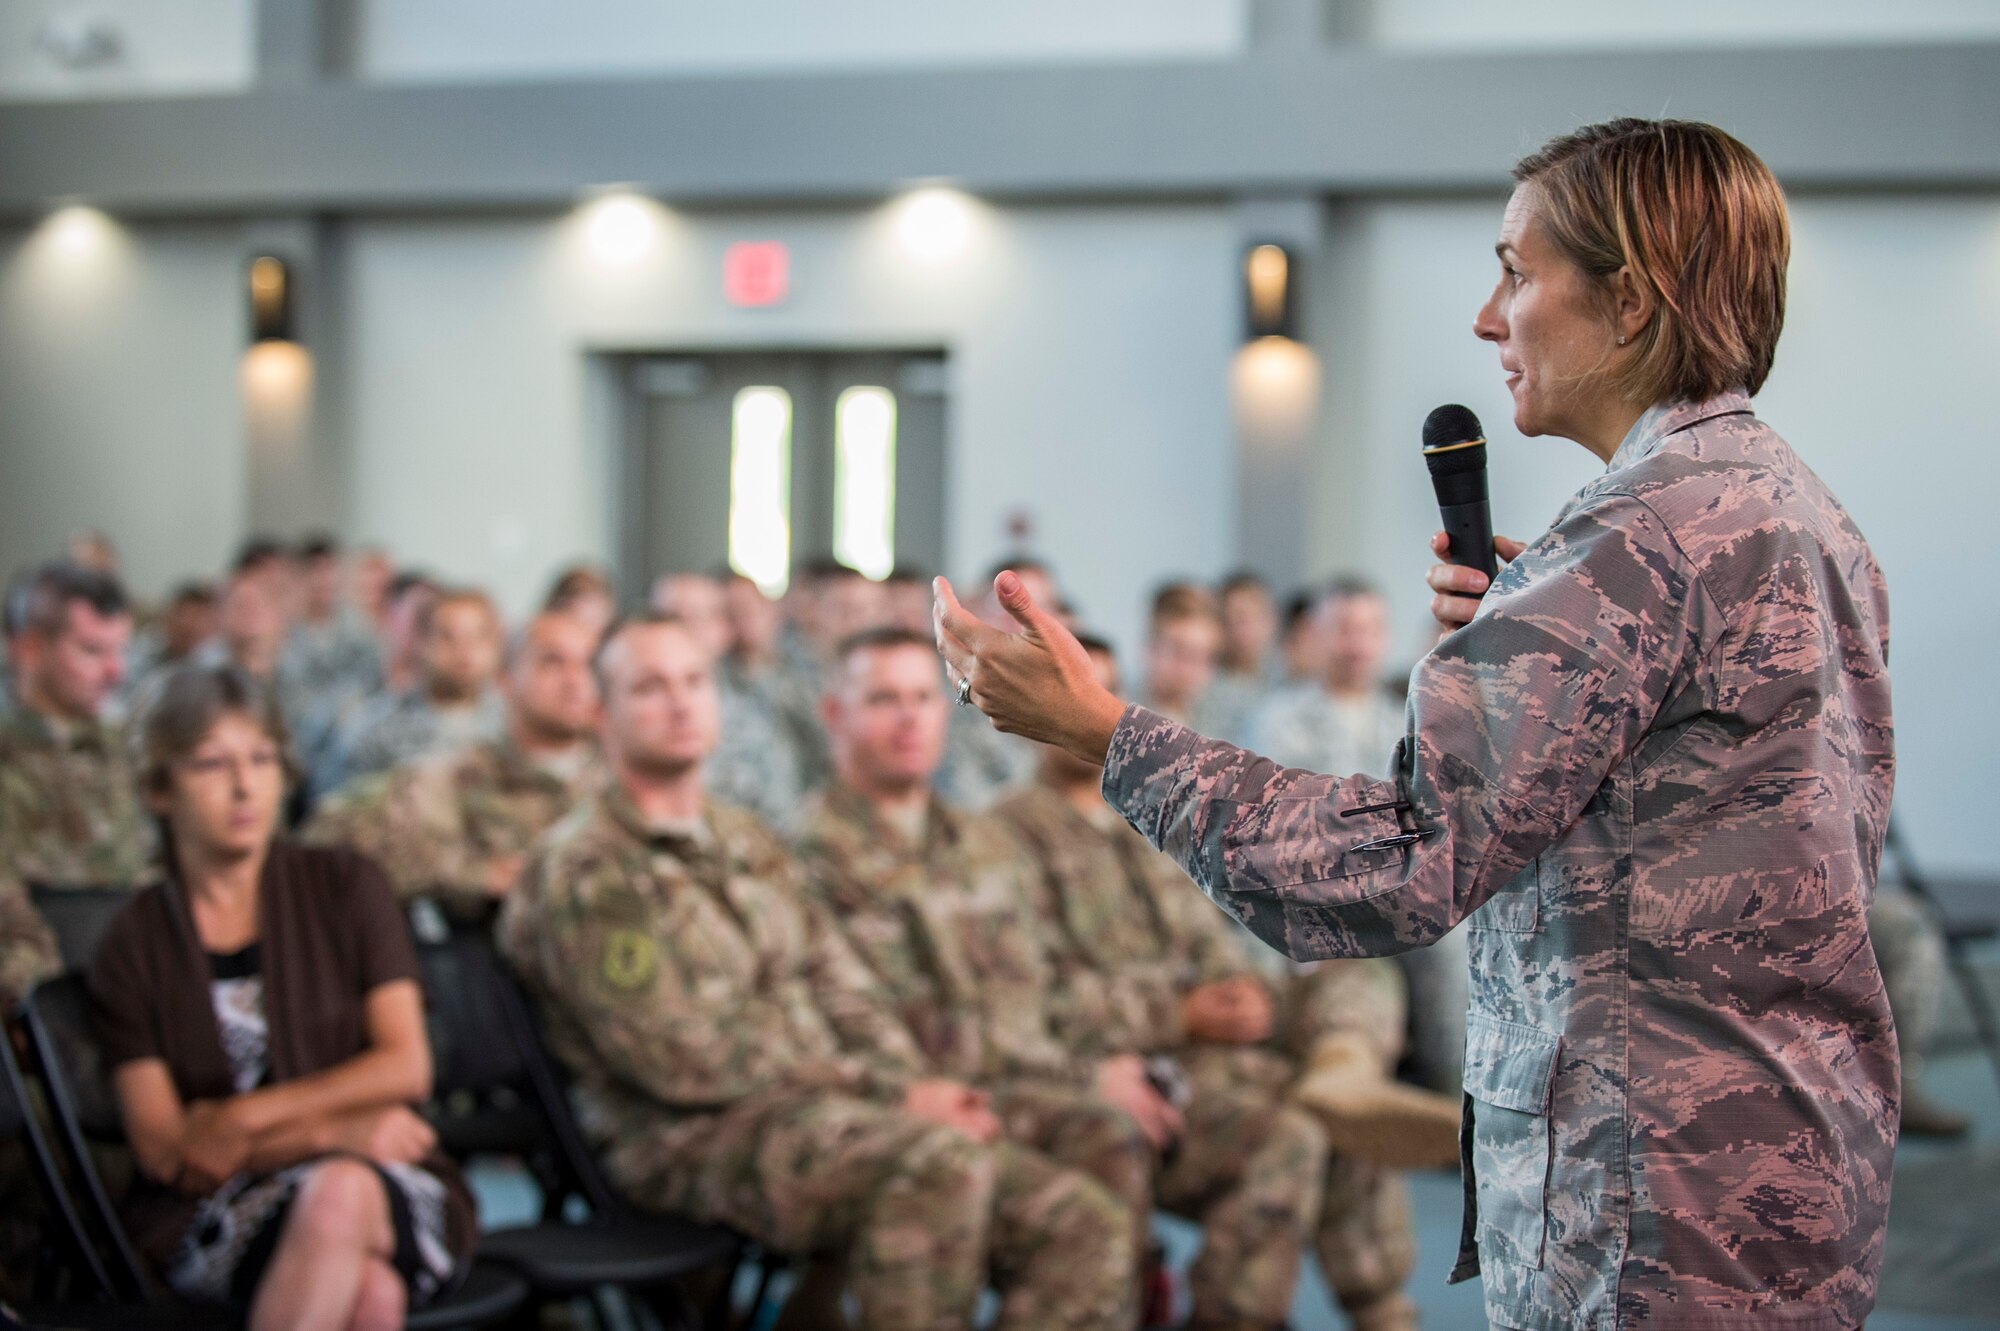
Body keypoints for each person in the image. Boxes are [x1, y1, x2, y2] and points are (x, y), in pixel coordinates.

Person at [936, 118, 1897, 1331]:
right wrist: (1529, 630)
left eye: (1516, 270)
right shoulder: (1792, 507)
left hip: (1653, 1192)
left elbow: (1398, 861)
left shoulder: (1632, 541)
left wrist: (1102, 731)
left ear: (1633, 302)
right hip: (1779, 1145)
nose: (1487, 320)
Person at [498, 614, 1134, 1331]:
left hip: (818, 1111)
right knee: (937, 1166)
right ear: (598, 709)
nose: (680, 703)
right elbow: (687, 1061)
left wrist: (915, 1087)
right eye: (649, 686)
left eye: (693, 681)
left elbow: (841, 985)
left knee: (1086, 1224)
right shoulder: (588, 868)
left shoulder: (744, 837)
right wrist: (888, 1091)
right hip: (684, 1140)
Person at [996, 634, 1446, 1331]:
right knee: (1303, 1127)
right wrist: (1180, 1012)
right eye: (1070, 692)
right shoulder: (1002, 839)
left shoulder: (1137, 819)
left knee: (1354, 968)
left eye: (1100, 691)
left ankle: (1344, 1068)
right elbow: (1020, 1004)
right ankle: (1265, 1312)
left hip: (1217, 1030)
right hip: (1144, 1054)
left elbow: (1209, 931)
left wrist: (1243, 989)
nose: (1083, 708)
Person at [793, 627, 1170, 1316]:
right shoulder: (805, 859)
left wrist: (1095, 1064)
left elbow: (1044, 985)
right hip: (898, 1102)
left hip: (1011, 1084)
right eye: (883, 698)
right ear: (834, 715)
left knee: (1109, 1135)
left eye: (921, 697)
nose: (908, 716)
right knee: (1077, 1219)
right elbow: (830, 1026)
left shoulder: (984, 843)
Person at [89, 665, 474, 1329]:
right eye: (212, 764)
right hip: (213, 1206)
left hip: (383, 1172)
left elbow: (405, 1065)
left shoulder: (347, 884)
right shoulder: (133, 939)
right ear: (159, 787)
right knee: (371, 1293)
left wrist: (239, 1120)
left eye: (263, 759)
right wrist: (329, 1130)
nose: (245, 787)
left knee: (337, 1196)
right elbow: (164, 1147)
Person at [1247, 578, 1468, 1093]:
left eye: (1369, 630)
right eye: (1344, 629)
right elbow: (1283, 832)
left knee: (1453, 938)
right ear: (1315, 636)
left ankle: (1454, 1105)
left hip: (1392, 890)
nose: (1357, 644)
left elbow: (1427, 820)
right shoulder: (1277, 722)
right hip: (1306, 893)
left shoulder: (1405, 722)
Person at [304, 610, 605, 924]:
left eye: (590, 664)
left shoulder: (622, 778)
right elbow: (323, 838)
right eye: (552, 662)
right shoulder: (457, 778)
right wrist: (469, 874)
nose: (576, 680)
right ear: (505, 679)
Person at [0, 561, 156, 887]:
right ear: (30, 649)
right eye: (92, 650)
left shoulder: (125, 747)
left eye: (121, 650)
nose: (116, 672)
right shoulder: (10, 753)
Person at [651, 570, 805, 831]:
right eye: (670, 618)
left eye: (698, 618)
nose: (683, 630)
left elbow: (782, 817)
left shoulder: (759, 717)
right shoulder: (621, 709)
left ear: (723, 631)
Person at [331, 587, 506, 789]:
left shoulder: (514, 727)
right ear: (423, 643)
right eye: (448, 637)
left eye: (478, 636)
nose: (464, 651)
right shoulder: (378, 728)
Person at [1139, 583, 1221, 728]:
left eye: (1199, 657)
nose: (1187, 669)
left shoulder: (1223, 723)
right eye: (1179, 652)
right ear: (1151, 648)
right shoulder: (1118, 706)